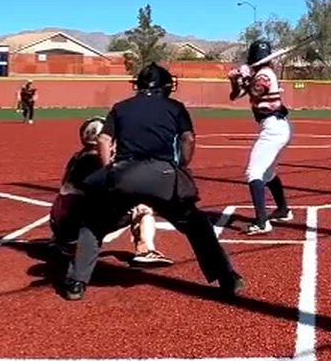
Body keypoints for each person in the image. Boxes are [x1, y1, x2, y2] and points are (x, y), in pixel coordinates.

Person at [61, 63, 242, 301]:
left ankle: (76, 282)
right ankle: (226, 278)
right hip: (163, 176)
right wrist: (181, 165)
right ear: (165, 86)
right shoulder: (175, 107)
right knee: (197, 226)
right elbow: (188, 138)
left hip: (125, 175)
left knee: (93, 225)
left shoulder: (121, 107)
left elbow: (104, 140)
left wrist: (109, 170)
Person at [49, 116, 172, 267]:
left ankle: (62, 241)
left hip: (59, 224)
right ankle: (145, 251)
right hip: (78, 226)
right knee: (142, 207)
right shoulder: (98, 162)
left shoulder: (77, 157)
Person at [228, 40, 293, 235]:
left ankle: (261, 222)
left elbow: (257, 90)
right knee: (268, 173)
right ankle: (283, 210)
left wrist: (245, 76)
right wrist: (235, 79)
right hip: (275, 127)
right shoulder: (259, 73)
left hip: (273, 127)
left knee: (254, 173)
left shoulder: (264, 74)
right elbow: (235, 95)